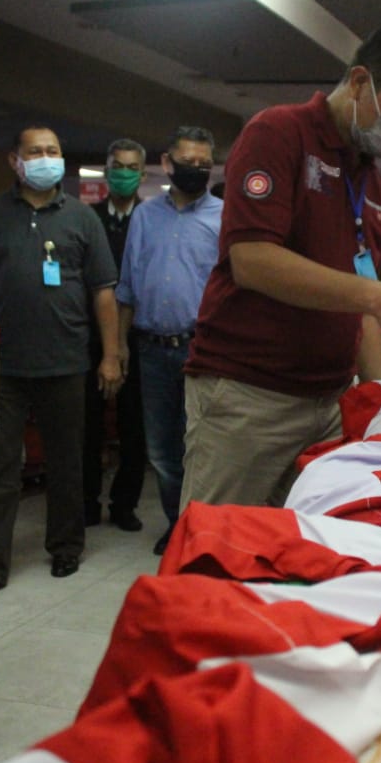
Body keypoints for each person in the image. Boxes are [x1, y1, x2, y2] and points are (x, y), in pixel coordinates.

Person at [182, 21, 381, 510]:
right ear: (358, 82)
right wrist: (377, 296)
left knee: (300, 555)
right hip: (251, 396)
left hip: (328, 401)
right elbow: (252, 259)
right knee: (216, 555)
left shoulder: (373, 185)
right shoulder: (278, 133)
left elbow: (361, 305)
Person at [0, 125, 121, 603]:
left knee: (68, 464)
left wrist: (110, 356)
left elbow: (104, 293)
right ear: (16, 160)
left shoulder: (81, 218)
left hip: (67, 361)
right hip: (1, 366)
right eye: (36, 152)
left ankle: (66, 546)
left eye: (53, 151)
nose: (45, 158)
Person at [116, 126, 221, 554]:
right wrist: (118, 347)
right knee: (160, 448)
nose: (195, 170)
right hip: (151, 348)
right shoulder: (144, 216)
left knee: (202, 445)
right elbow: (126, 287)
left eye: (204, 165)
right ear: (167, 163)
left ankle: (202, 526)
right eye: (188, 163)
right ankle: (177, 523)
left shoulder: (224, 217)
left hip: (203, 349)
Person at [84, 138, 147, 531]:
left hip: (140, 338)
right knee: (87, 426)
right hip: (89, 336)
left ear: (142, 173)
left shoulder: (151, 218)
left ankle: (125, 504)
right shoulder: (87, 217)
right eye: (117, 166)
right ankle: (88, 502)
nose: (123, 174)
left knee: (134, 428)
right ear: (107, 171)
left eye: (131, 167)